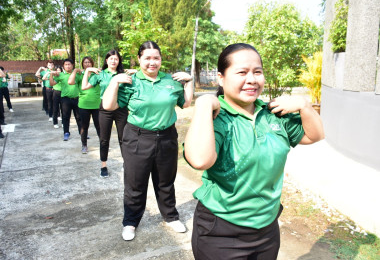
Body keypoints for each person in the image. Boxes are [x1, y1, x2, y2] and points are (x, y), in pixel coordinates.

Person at [184, 43, 325, 260]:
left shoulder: (273, 114)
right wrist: (203, 105)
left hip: (267, 229)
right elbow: (200, 160)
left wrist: (305, 106)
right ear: (221, 78)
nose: (252, 79)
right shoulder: (217, 118)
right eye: (242, 72)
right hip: (221, 232)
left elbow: (314, 135)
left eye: (257, 72)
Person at [102, 41, 193, 241]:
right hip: (137, 138)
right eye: (147, 58)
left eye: (156, 58)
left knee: (165, 182)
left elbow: (186, 103)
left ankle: (170, 217)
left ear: (161, 59)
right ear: (140, 59)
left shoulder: (171, 80)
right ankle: (130, 222)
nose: (152, 62)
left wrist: (189, 81)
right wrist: (114, 81)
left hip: (167, 137)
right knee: (135, 183)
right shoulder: (131, 81)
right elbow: (108, 106)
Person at [81, 50, 128, 178]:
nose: (114, 61)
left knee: (123, 138)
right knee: (104, 138)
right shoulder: (100, 74)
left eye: (116, 59)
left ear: (119, 61)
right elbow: (84, 86)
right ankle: (103, 165)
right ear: (106, 60)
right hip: (105, 109)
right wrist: (87, 71)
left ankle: (127, 163)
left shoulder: (123, 74)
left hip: (121, 108)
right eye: (111, 58)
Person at [68, 56, 100, 154]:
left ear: (92, 64)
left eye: (89, 62)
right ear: (82, 64)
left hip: (97, 105)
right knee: (84, 127)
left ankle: (103, 144)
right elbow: (70, 82)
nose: (87, 64)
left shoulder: (97, 74)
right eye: (85, 62)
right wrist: (75, 71)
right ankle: (84, 145)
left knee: (99, 126)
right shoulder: (80, 75)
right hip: (83, 105)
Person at [49, 59, 81, 141]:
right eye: (66, 64)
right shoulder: (60, 75)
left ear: (72, 65)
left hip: (76, 98)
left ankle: (82, 132)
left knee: (79, 117)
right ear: (63, 66)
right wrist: (51, 75)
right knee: (66, 117)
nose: (67, 66)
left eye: (69, 64)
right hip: (65, 99)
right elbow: (52, 84)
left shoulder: (77, 74)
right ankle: (66, 133)